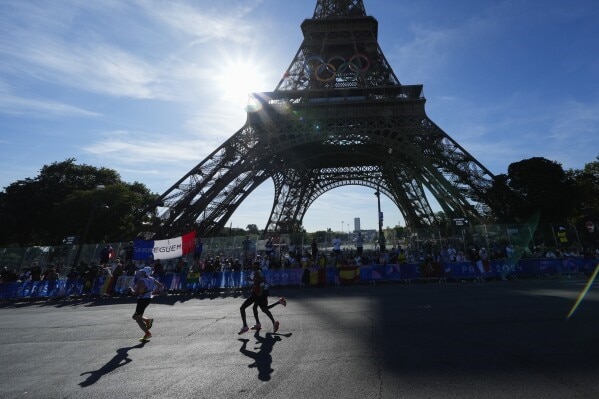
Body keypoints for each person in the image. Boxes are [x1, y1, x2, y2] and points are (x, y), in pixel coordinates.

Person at [238, 262, 279, 334]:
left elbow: (261, 284)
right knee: (261, 309)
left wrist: (259, 294)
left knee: (242, 308)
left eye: (254, 266)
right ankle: (260, 323)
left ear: (256, 267)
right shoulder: (257, 273)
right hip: (260, 295)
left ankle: (245, 326)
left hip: (257, 295)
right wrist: (250, 280)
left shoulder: (258, 273)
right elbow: (257, 282)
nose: (252, 267)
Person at [131, 266, 163, 342]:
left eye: (142, 272)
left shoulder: (141, 281)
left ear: (145, 273)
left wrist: (131, 290)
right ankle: (148, 321)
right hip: (148, 299)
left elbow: (138, 293)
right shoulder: (152, 279)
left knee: (137, 319)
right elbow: (160, 285)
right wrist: (153, 292)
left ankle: (147, 333)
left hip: (142, 300)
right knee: (135, 316)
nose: (141, 273)